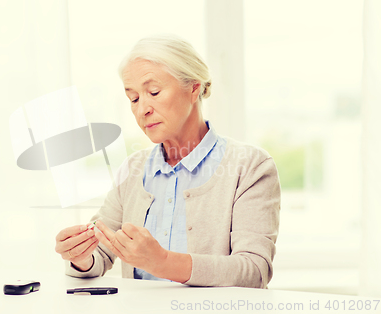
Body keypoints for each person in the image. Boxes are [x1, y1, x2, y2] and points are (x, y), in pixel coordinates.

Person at [55, 35, 281, 288]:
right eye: (134, 99)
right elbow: (101, 254)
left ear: (194, 88)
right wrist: (81, 257)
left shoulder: (250, 166)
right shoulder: (133, 170)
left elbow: (254, 271)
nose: (142, 110)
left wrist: (162, 261)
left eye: (154, 92)